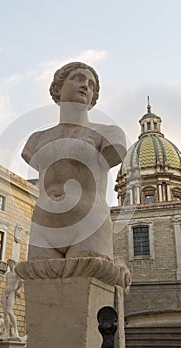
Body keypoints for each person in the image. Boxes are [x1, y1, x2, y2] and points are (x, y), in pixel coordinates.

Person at [22, 62, 127, 261]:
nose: (85, 86)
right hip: (43, 227)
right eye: (78, 79)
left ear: (93, 98)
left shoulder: (109, 134)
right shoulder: (35, 140)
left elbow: (115, 154)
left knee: (86, 276)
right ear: (57, 88)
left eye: (91, 85)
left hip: (89, 225)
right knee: (38, 281)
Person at [1, 259, 22, 338]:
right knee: (5, 313)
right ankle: (7, 332)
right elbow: (7, 283)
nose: (9, 265)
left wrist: (17, 290)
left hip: (12, 292)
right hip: (5, 291)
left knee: (9, 311)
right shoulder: (8, 274)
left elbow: (21, 281)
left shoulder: (16, 273)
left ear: (14, 264)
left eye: (10, 263)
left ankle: (16, 331)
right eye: (8, 264)